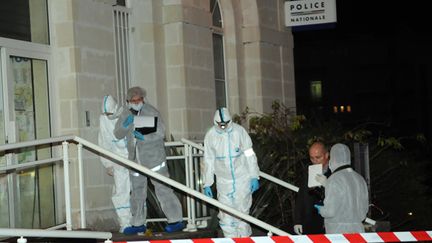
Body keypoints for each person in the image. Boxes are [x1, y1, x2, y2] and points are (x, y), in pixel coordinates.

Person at [114, 86, 184, 234]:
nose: (135, 102)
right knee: (137, 193)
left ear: (143, 99)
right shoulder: (126, 114)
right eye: (132, 100)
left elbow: (160, 132)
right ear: (128, 101)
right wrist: (124, 125)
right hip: (135, 161)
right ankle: (138, 223)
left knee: (163, 189)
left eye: (138, 100)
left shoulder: (151, 112)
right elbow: (118, 133)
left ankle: (176, 220)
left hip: (154, 160)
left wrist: (144, 137)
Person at [202, 107, 260, 237]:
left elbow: (250, 155)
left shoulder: (239, 132)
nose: (223, 127)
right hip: (223, 181)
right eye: (220, 125)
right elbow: (208, 160)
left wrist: (254, 176)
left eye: (225, 124)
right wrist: (207, 183)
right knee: (226, 217)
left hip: (242, 179)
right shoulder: (211, 135)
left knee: (242, 216)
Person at [314, 143, 369, 233]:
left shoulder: (334, 179)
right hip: (358, 232)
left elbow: (330, 211)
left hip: (338, 233)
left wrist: (320, 209)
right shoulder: (360, 179)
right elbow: (364, 211)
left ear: (333, 158)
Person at [98, 95, 132, 233]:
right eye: (106, 114)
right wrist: (107, 163)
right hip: (117, 160)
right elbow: (103, 142)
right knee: (121, 192)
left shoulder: (126, 114)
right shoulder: (103, 120)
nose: (108, 116)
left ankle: (139, 221)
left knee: (136, 191)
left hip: (132, 158)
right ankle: (125, 223)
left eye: (110, 113)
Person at [293, 141, 331, 235]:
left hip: (328, 221)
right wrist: (297, 221)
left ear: (326, 155)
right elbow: (301, 196)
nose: (315, 161)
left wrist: (328, 185)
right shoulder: (308, 171)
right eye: (312, 158)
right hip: (310, 221)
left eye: (318, 157)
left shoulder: (334, 171)